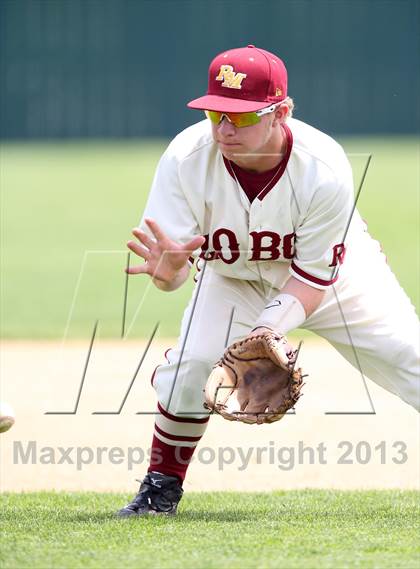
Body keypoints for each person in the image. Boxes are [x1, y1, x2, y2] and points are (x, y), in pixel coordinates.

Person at [116, 45, 419, 517]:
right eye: (217, 113)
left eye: (241, 117)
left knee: (409, 356)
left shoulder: (323, 168)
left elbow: (313, 277)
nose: (224, 129)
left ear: (282, 111)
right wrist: (170, 275)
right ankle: (160, 490)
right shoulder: (185, 158)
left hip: (336, 277)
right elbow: (171, 270)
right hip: (232, 277)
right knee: (194, 366)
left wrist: (265, 330)